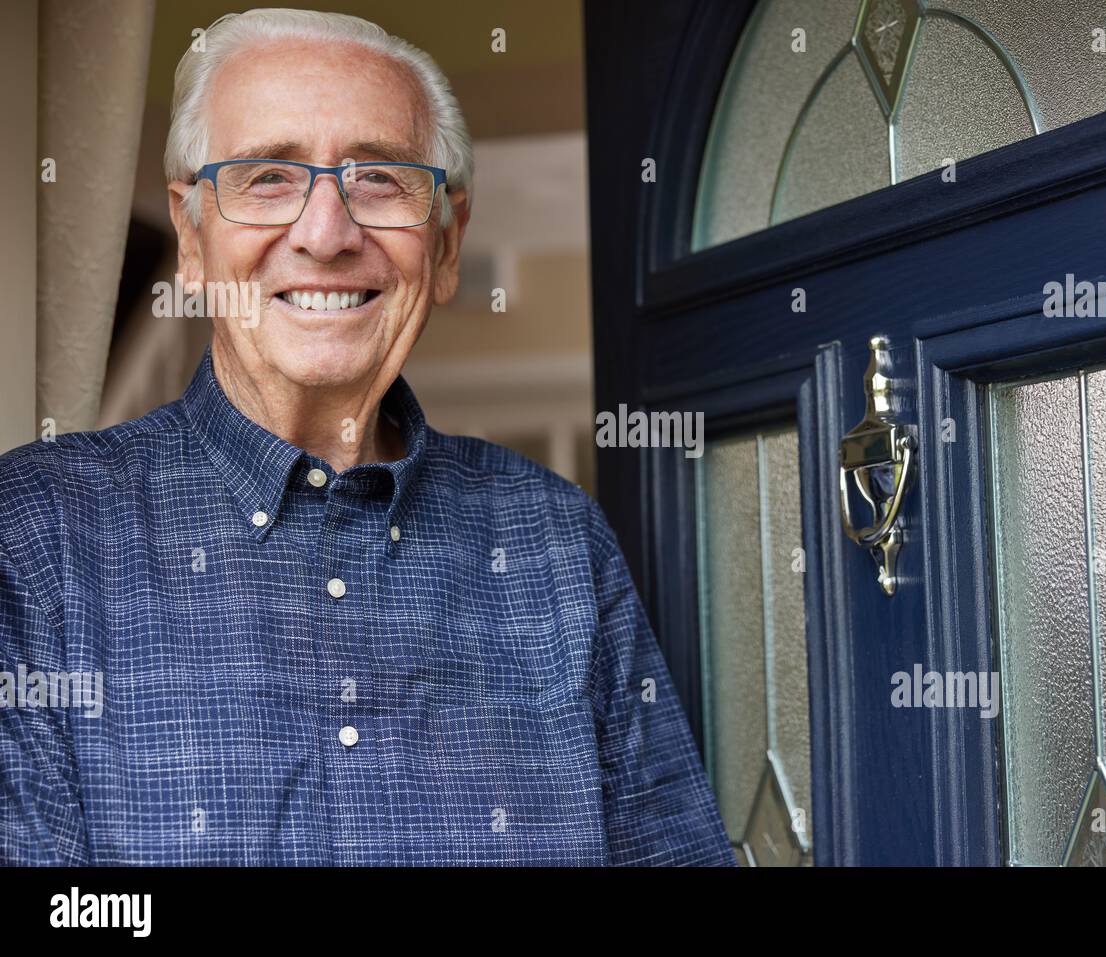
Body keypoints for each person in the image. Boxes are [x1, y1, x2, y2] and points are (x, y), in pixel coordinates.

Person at [0, 8, 734, 866]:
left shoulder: (560, 542)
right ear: (193, 239)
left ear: (448, 242)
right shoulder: (36, 533)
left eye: (380, 178)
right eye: (268, 176)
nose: (326, 232)